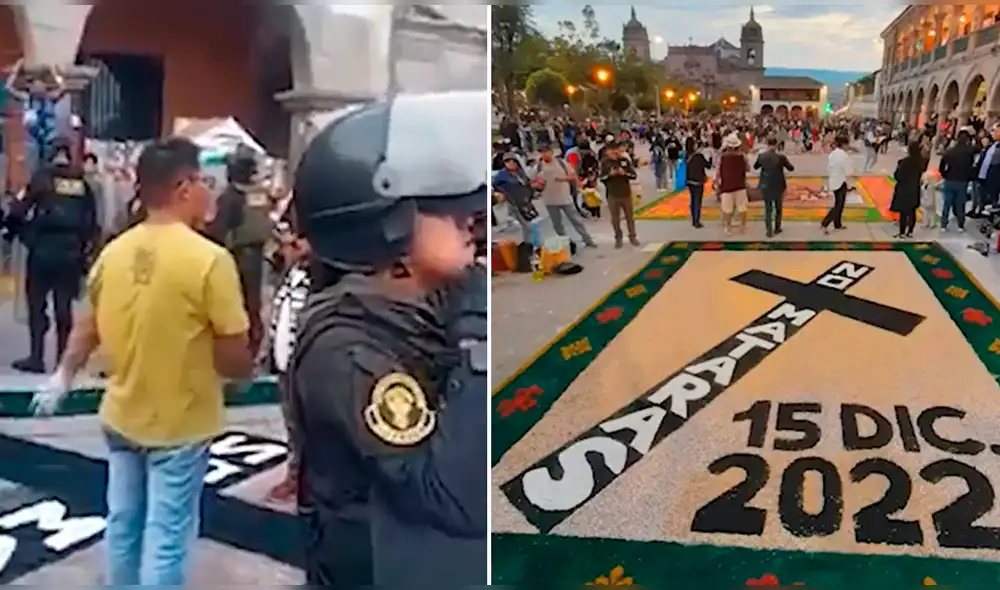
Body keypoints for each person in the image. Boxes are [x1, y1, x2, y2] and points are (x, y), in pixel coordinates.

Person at [28, 137, 254, 585]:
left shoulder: (114, 253)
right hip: (180, 422)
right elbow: (233, 352)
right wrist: (241, 373)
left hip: (122, 415)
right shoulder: (210, 261)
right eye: (205, 181)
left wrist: (62, 377)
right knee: (167, 537)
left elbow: (86, 327)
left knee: (124, 523)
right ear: (184, 187)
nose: (210, 191)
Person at [289, 91, 487, 586]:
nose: (471, 219)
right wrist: (479, 337)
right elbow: (455, 499)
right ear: (388, 224)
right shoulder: (346, 351)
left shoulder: (431, 303)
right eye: (443, 208)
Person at [6, 140, 98, 373]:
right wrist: (85, 252)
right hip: (71, 253)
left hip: (42, 251)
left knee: (37, 305)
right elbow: (92, 222)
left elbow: (18, 210)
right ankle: (62, 361)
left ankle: (36, 357)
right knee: (63, 306)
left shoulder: (41, 179)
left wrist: (21, 235)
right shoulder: (81, 184)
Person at [207, 146, 270, 355]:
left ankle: (239, 348)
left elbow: (219, 228)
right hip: (256, 255)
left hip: (236, 255)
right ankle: (253, 345)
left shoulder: (229, 197)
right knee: (253, 305)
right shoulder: (259, 194)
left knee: (234, 303)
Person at [532, 143, 596, 248]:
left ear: (551, 152)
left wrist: (563, 179)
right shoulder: (538, 166)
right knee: (557, 225)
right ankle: (566, 244)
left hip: (565, 198)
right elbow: (531, 181)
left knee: (576, 220)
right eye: (542, 152)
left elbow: (573, 177)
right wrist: (537, 184)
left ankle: (587, 240)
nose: (544, 155)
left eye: (546, 152)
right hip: (549, 200)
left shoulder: (561, 163)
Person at [599, 140, 640, 248]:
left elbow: (634, 175)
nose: (615, 152)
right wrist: (610, 175)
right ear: (608, 151)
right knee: (615, 219)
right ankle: (618, 237)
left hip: (626, 193)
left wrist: (624, 173)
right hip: (612, 194)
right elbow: (602, 178)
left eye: (617, 150)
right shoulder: (605, 162)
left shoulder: (624, 161)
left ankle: (633, 236)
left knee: (630, 217)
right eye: (612, 151)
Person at [754, 136, 795, 238]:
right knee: (778, 208)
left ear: (767, 144)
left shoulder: (762, 156)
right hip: (778, 185)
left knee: (768, 208)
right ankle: (777, 227)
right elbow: (791, 168)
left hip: (765, 184)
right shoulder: (781, 157)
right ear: (776, 145)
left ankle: (769, 231)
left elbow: (755, 167)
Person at [939, 127, 976, 232]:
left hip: (950, 179)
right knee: (961, 204)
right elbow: (971, 166)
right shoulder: (969, 152)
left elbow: (942, 166)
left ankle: (944, 225)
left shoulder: (950, 151)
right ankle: (960, 225)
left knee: (947, 203)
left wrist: (945, 174)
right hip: (962, 181)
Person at [715, 133, 749, 235]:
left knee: (727, 208)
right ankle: (742, 227)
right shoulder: (743, 156)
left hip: (726, 185)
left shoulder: (722, 157)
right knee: (742, 207)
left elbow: (718, 171)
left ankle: (728, 227)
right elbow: (747, 168)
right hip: (740, 184)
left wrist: (717, 183)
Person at [891, 141, 925, 239]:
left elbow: (897, 175)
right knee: (912, 211)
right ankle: (910, 232)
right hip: (914, 188)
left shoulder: (903, 162)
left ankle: (902, 232)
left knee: (903, 212)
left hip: (904, 188)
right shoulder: (920, 162)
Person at [821, 135, 852, 234]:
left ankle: (837, 224)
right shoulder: (844, 155)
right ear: (843, 144)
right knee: (839, 205)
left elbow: (829, 169)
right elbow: (848, 171)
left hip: (833, 181)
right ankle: (825, 222)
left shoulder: (832, 154)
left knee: (838, 203)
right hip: (841, 181)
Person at [685, 140, 712, 229]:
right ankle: (696, 221)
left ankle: (694, 218)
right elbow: (708, 165)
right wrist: (711, 157)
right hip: (698, 181)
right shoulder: (699, 156)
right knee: (697, 200)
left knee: (693, 199)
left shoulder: (687, 155)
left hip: (689, 180)